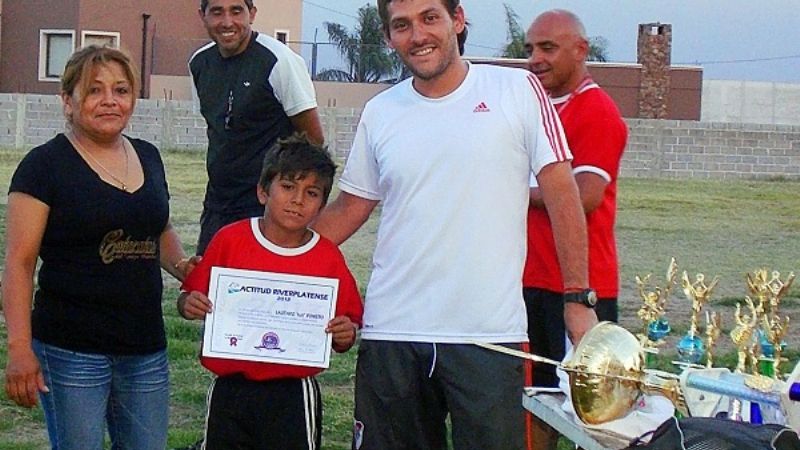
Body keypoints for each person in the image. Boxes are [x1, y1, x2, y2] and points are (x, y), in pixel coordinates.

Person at [311, 1, 596, 448]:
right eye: (402, 25)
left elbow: (563, 195)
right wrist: (266, 257)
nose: (417, 35)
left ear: (457, 20)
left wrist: (578, 299)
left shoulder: (516, 89)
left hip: (489, 337)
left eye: (430, 18)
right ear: (388, 37)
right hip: (392, 335)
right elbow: (350, 207)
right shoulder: (382, 111)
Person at [2, 45, 196, 449]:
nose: (110, 100)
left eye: (121, 90)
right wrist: (19, 348)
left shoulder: (149, 156)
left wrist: (183, 266)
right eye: (94, 90)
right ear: (68, 101)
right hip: (71, 352)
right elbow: (19, 265)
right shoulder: (43, 166)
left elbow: (156, 229)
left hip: (145, 349)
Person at [177, 133, 363, 450]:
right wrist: (188, 303)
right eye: (288, 187)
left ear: (321, 204)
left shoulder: (326, 256)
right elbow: (189, 296)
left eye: (312, 193)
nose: (298, 199)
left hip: (292, 392)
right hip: (230, 388)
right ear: (264, 191)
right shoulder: (230, 240)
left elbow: (348, 325)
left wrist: (345, 333)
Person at [523, 9, 628, 449]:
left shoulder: (597, 111)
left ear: (581, 50)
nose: (535, 58)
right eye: (530, 49)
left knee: (593, 415)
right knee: (533, 403)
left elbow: (584, 196)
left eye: (548, 48)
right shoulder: (535, 107)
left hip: (579, 290)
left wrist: (510, 187)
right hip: (529, 281)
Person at [190, 0, 324, 255]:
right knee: (208, 288)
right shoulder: (199, 64)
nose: (227, 22)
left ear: (252, 13)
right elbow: (218, 130)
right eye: (217, 12)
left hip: (265, 207)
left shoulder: (279, 61)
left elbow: (313, 141)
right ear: (203, 16)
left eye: (236, 11)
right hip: (218, 205)